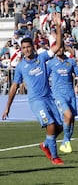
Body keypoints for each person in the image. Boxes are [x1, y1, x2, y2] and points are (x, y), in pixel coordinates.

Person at [2, 13, 64, 165]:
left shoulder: (41, 58)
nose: (26, 50)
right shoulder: (21, 67)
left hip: (49, 98)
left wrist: (58, 26)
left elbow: (57, 46)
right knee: (50, 125)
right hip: (37, 101)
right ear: (21, 50)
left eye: (28, 47)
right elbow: (14, 87)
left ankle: (45, 145)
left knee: (59, 127)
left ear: (33, 47)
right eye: (23, 48)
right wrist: (7, 107)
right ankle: (54, 157)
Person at [47, 45, 78, 153]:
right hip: (58, 94)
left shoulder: (71, 62)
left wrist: (77, 85)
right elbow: (44, 78)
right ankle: (66, 141)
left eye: (61, 48)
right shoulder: (51, 63)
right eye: (57, 48)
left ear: (64, 49)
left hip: (70, 94)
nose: (59, 50)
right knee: (68, 115)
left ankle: (49, 143)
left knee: (71, 120)